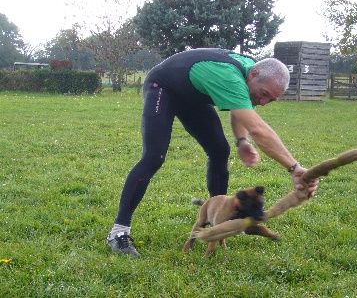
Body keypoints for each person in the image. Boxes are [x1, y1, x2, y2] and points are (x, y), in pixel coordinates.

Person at [106, 48, 319, 256]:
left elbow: (241, 107)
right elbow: (258, 129)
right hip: (162, 87)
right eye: (264, 95)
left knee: (219, 151)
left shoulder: (250, 75)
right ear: (254, 75)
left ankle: (220, 221)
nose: (263, 103)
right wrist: (294, 167)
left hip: (192, 97)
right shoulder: (231, 76)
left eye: (270, 100)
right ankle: (119, 232)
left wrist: (242, 141)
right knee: (154, 157)